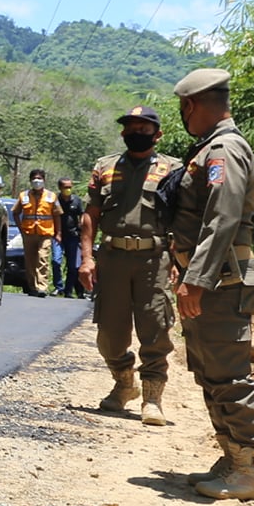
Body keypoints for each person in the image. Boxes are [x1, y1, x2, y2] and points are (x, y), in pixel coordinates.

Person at [166, 68, 254, 501]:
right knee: (210, 372)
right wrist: (185, 267)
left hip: (222, 283)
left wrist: (198, 278)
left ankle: (250, 469)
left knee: (228, 374)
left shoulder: (224, 149)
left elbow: (222, 219)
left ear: (190, 105)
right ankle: (232, 456)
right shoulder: (211, 148)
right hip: (213, 280)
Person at [77, 109, 182, 423]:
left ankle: (152, 400)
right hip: (113, 259)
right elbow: (90, 216)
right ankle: (124, 383)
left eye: (143, 127)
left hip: (156, 259)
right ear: (122, 133)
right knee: (109, 335)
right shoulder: (105, 167)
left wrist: (181, 263)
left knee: (155, 328)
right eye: (130, 127)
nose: (135, 131)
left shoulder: (173, 169)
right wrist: (86, 258)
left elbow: (184, 218)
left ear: (157, 134)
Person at [9, 171, 62, 296]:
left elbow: (57, 215)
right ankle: (33, 286)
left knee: (43, 258)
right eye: (34, 178)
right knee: (30, 261)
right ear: (30, 180)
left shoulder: (51, 196)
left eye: (39, 178)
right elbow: (15, 212)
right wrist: (21, 228)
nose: (36, 181)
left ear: (44, 180)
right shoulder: (23, 196)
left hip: (45, 233)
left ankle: (42, 287)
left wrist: (58, 233)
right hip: (29, 233)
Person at [53, 178, 87, 299]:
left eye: (70, 187)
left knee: (73, 266)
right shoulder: (55, 200)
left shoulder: (76, 200)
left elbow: (82, 214)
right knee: (56, 261)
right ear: (60, 188)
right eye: (65, 187)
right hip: (57, 236)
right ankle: (58, 287)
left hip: (73, 237)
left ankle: (68, 291)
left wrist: (82, 226)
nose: (68, 189)